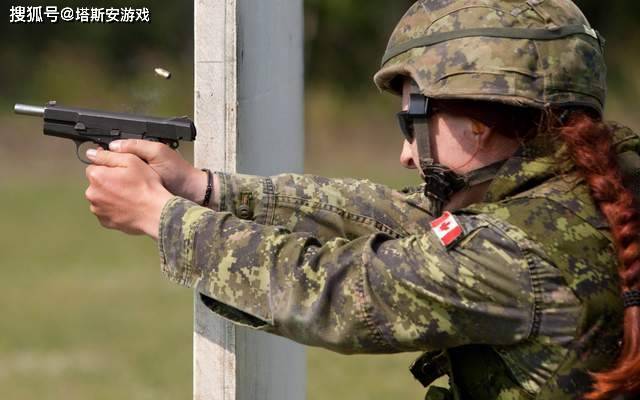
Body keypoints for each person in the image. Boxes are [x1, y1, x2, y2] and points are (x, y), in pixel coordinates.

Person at [82, 1, 640, 399]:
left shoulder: (512, 254)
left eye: (412, 122)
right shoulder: (588, 185)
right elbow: (390, 213)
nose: (405, 154)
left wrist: (160, 217)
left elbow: (337, 291)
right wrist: (204, 189)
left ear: (475, 124)